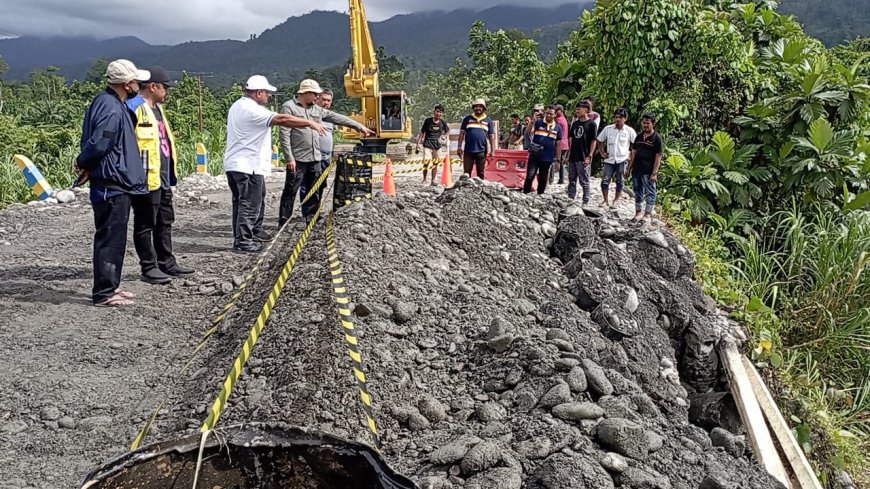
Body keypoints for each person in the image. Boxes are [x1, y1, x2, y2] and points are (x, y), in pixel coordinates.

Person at [75, 59, 149, 307]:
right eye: (136, 81)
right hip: (112, 182)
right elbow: (100, 143)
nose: (139, 84)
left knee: (113, 237)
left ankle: (111, 285)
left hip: (113, 179)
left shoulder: (109, 102)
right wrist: (85, 163)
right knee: (110, 238)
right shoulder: (111, 108)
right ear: (127, 84)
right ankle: (104, 292)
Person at [225, 75, 325, 253]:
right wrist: (309, 122)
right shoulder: (252, 109)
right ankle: (243, 241)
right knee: (249, 203)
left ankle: (253, 232)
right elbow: (282, 120)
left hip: (237, 164)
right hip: (248, 165)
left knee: (248, 200)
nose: (269, 96)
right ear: (258, 93)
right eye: (267, 93)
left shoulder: (237, 106)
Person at [126, 66, 194, 285]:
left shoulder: (157, 109)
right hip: (145, 179)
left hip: (162, 176)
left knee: (165, 221)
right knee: (145, 223)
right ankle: (149, 266)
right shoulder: (134, 107)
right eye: (165, 87)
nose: (167, 91)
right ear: (152, 86)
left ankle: (167, 262)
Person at [278, 79, 373, 225]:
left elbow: (336, 117)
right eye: (315, 94)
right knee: (291, 190)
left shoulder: (316, 110)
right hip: (298, 158)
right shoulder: (289, 107)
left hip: (315, 157)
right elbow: (284, 134)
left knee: (314, 189)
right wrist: (289, 158)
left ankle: (311, 217)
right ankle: (284, 220)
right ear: (306, 93)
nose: (317, 97)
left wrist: (358, 126)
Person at [595, 107, 636, 209]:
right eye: (616, 117)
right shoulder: (608, 129)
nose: (618, 119)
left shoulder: (629, 131)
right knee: (605, 180)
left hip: (622, 159)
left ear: (625, 119)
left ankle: (616, 200)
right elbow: (599, 140)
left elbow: (636, 144)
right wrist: (602, 153)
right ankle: (605, 199)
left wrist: (631, 154)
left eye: (620, 117)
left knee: (620, 181)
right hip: (609, 159)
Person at [626, 112, 664, 222]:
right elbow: (633, 153)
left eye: (648, 123)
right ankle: (638, 212)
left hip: (648, 171)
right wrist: (629, 168)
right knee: (638, 191)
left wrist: (654, 173)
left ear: (653, 124)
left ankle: (647, 214)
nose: (645, 125)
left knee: (650, 192)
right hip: (637, 170)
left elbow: (658, 156)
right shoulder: (638, 137)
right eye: (644, 123)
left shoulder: (657, 138)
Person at [523, 105, 562, 195]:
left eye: (551, 114)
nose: (548, 115)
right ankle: (526, 194)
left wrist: (558, 160)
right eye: (547, 113)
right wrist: (532, 121)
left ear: (555, 115)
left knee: (543, 177)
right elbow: (528, 132)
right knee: (530, 175)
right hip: (535, 155)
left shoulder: (558, 128)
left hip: (548, 156)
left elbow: (558, 144)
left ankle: (540, 195)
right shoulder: (538, 123)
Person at [567, 101, 598, 205]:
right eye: (577, 109)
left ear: (586, 110)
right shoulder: (575, 124)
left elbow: (593, 141)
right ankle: (570, 198)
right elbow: (571, 138)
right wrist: (568, 154)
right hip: (573, 156)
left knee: (584, 180)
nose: (577, 111)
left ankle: (585, 200)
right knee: (571, 179)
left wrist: (590, 155)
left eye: (579, 109)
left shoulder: (592, 125)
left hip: (583, 155)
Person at [457, 98, 496, 179]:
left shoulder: (488, 120)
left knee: (481, 172)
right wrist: (459, 147)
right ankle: (466, 190)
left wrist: (493, 151)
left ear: (484, 108)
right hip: (468, 150)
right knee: (466, 173)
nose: (478, 108)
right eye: (476, 106)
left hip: (481, 150)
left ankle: (480, 189)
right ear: (473, 108)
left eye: (480, 106)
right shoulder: (467, 119)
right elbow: (461, 134)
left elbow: (491, 136)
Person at [416, 104, 450, 184]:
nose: (438, 114)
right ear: (434, 112)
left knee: (435, 163)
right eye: (437, 111)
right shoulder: (428, 121)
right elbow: (422, 133)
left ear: (442, 114)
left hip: (437, 146)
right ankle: (424, 179)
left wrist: (443, 137)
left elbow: (448, 130)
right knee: (426, 162)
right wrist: (418, 144)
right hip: (427, 145)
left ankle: (433, 180)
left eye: (440, 112)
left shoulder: (442, 122)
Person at [554, 104, 570, 184]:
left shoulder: (559, 120)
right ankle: (561, 179)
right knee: (561, 162)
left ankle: (550, 179)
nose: (555, 113)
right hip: (565, 144)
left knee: (555, 161)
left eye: (556, 111)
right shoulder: (564, 119)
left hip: (560, 144)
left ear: (560, 111)